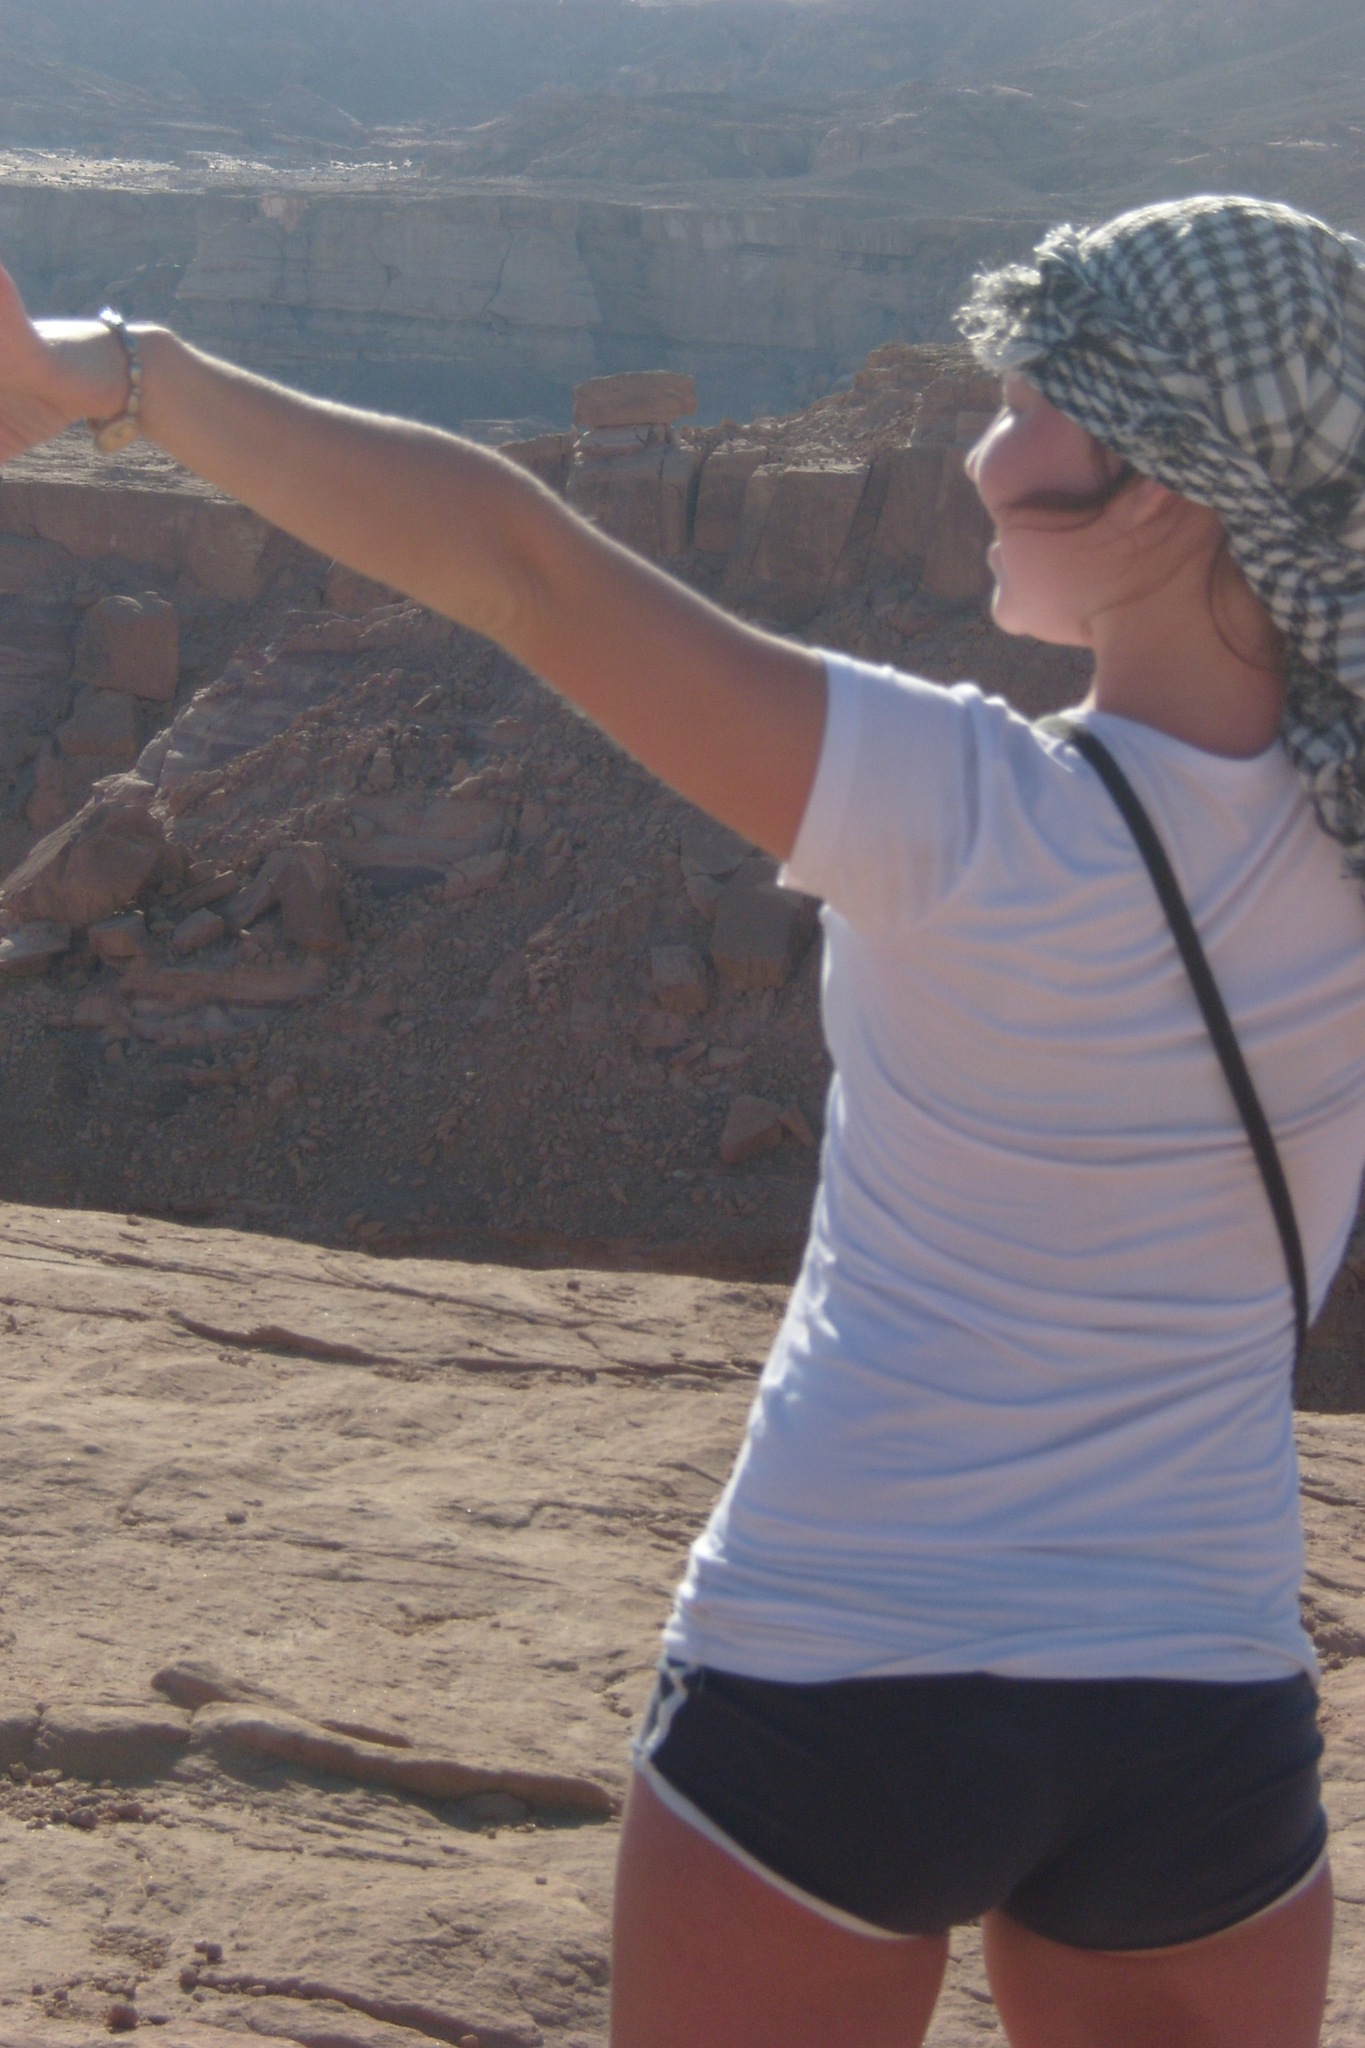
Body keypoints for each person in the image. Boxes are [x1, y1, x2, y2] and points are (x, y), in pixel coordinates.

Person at [5, 192, 1365, 2048]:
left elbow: (520, 565)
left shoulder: (964, 811)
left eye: (1027, 408)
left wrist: (124, 376)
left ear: (1163, 492)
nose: (976, 458)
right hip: (1201, 1712)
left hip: (837, 1680)